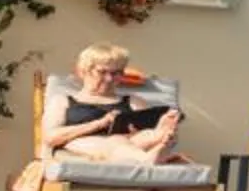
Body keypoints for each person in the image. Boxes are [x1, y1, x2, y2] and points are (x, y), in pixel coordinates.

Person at [45, 43, 186, 163]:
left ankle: (155, 151)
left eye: (116, 73)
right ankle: (148, 160)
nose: (109, 79)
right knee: (114, 142)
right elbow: (50, 138)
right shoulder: (63, 101)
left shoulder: (133, 101)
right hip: (83, 143)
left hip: (131, 143)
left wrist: (164, 126)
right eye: (102, 72)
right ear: (83, 71)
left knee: (151, 134)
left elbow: (146, 133)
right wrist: (99, 124)